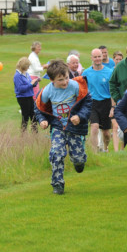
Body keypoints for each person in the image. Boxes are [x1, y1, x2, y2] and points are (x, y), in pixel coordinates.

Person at [35, 60, 91, 195]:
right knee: (57, 153)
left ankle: (79, 162)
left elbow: (88, 103)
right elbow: (38, 109)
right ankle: (58, 184)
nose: (65, 82)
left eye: (66, 77)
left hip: (74, 127)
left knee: (78, 158)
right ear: (52, 80)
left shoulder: (76, 86)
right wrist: (42, 120)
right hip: (58, 127)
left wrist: (80, 116)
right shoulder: (46, 91)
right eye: (60, 80)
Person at [82, 48, 115, 152]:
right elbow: (83, 89)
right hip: (93, 103)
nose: (97, 59)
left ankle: (105, 148)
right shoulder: (86, 72)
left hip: (106, 103)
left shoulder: (109, 72)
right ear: (91, 58)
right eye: (95, 57)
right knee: (94, 127)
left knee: (106, 133)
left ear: (102, 57)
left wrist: (113, 107)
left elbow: (112, 91)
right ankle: (94, 151)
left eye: (99, 56)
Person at [14, 57, 40, 132]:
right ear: (24, 66)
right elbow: (20, 89)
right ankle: (23, 133)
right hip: (22, 98)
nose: (28, 68)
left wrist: (36, 81)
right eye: (27, 66)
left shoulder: (26, 73)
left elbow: (30, 84)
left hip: (29, 96)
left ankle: (35, 132)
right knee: (25, 116)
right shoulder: (17, 76)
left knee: (33, 114)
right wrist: (31, 84)